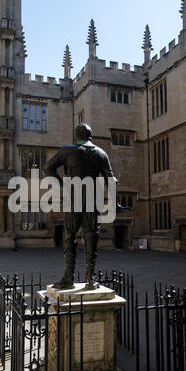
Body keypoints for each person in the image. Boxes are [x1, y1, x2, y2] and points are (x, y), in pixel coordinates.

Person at [44, 123, 122, 290]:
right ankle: (91, 278)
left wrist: (63, 185)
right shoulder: (101, 153)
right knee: (91, 236)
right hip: (93, 198)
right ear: (90, 136)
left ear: (76, 136)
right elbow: (111, 179)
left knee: (69, 235)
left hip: (74, 198)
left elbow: (47, 168)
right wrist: (115, 201)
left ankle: (68, 277)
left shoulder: (68, 150)